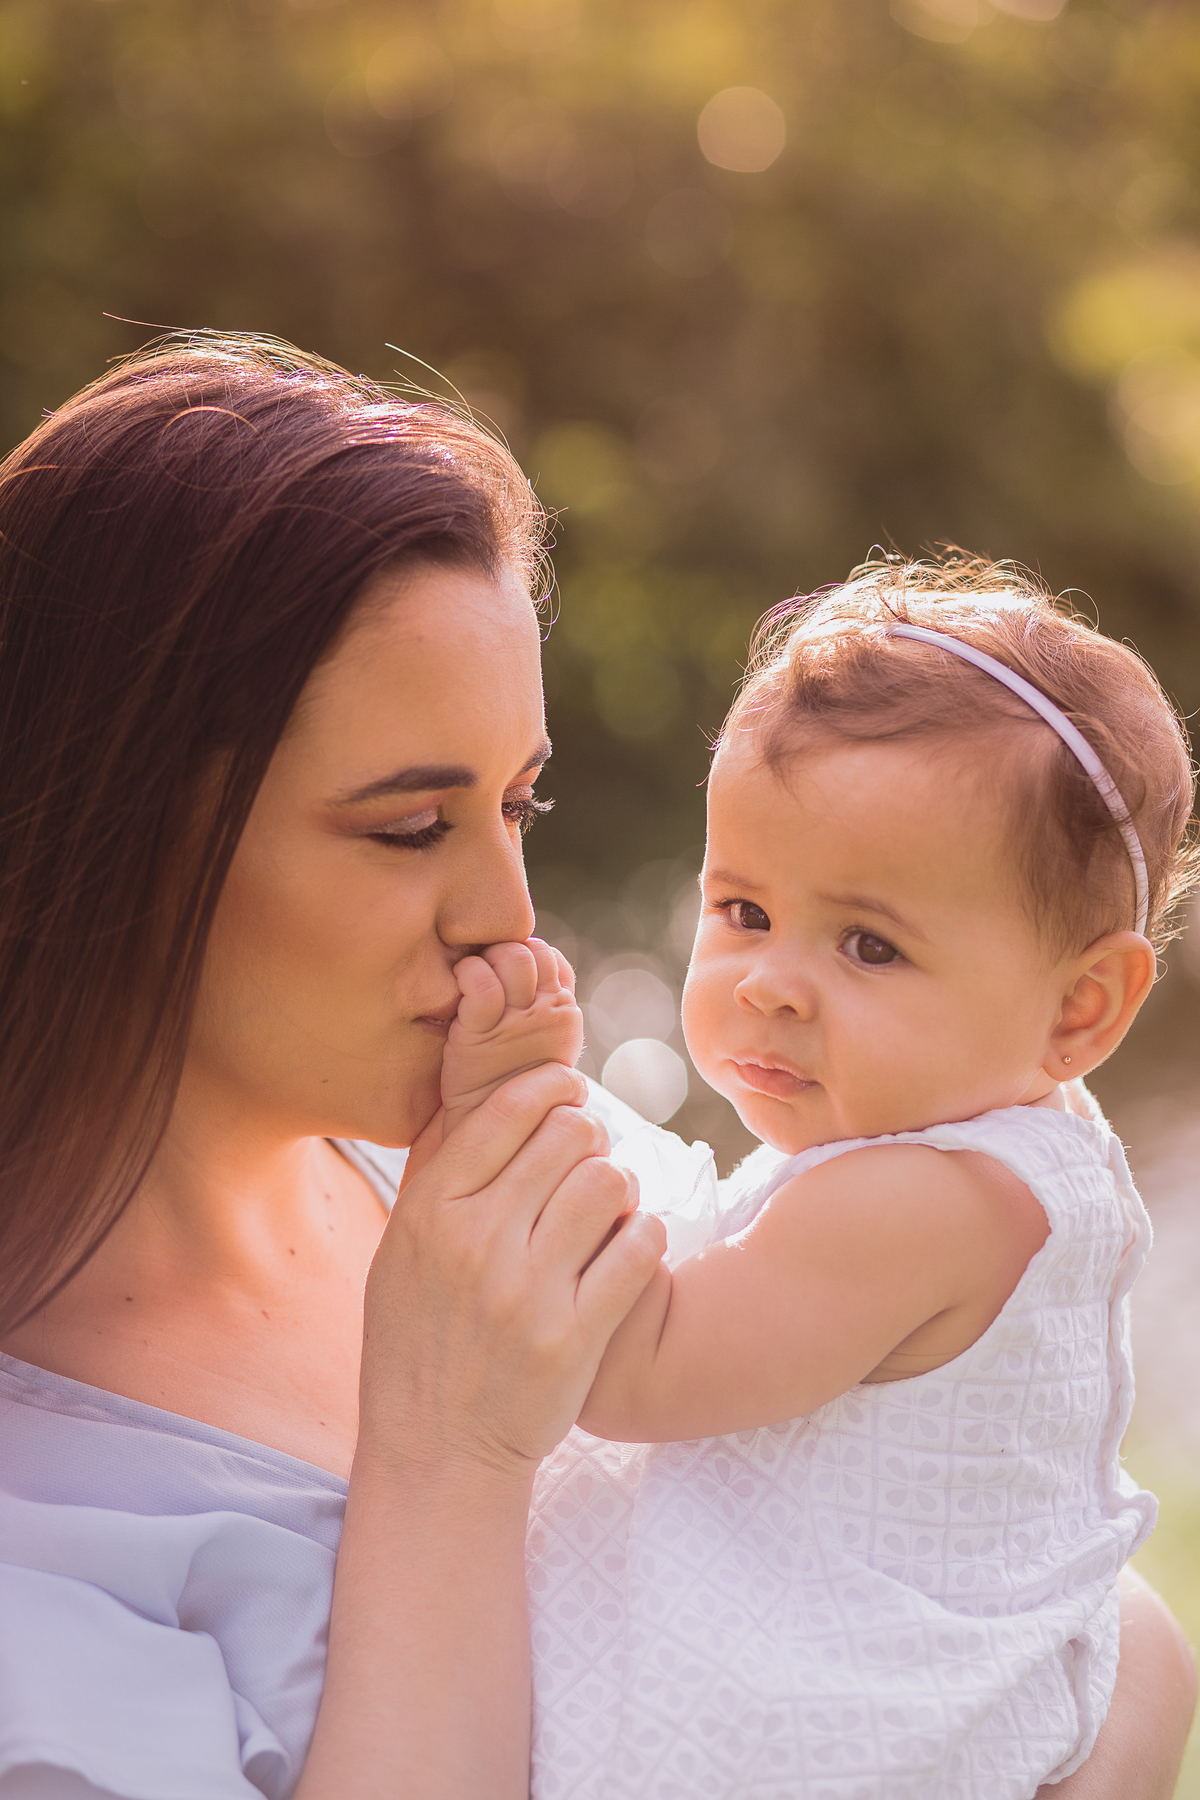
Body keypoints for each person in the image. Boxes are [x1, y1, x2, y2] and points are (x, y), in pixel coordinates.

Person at [0, 338, 1190, 1800]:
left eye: (520, 802)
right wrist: (448, 1457)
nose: (510, 913)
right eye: (409, 828)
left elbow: (1078, 1627)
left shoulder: (483, 1133)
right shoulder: (38, 1531)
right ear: (119, 825)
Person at [439, 559, 1200, 1798]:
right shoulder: (1008, 1134)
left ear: (1081, 1007)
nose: (771, 982)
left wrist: (510, 1105)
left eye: (868, 944)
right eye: (741, 909)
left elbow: (632, 1370)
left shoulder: (925, 1206)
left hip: (818, 1738)